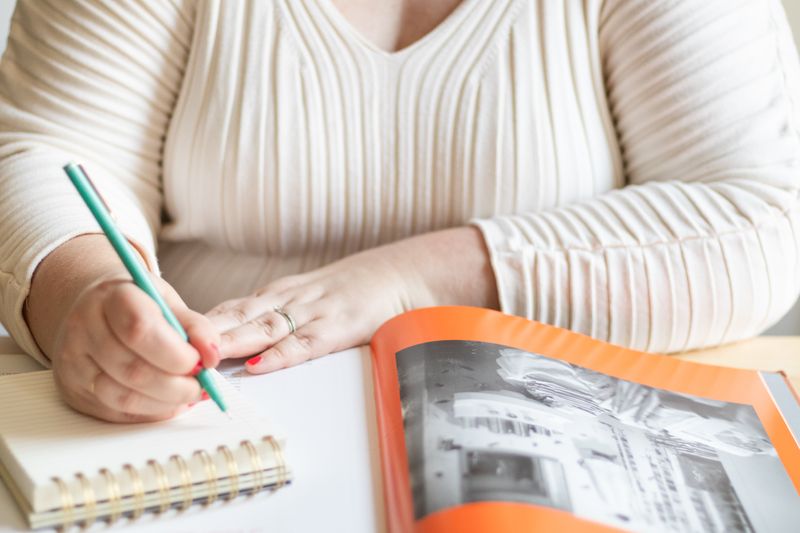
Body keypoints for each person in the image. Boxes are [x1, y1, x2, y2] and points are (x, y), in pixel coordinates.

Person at [0, 0, 798, 423]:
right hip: (211, 423)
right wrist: (85, 295)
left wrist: (406, 280)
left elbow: (764, 219)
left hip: (556, 435)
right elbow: (47, 148)